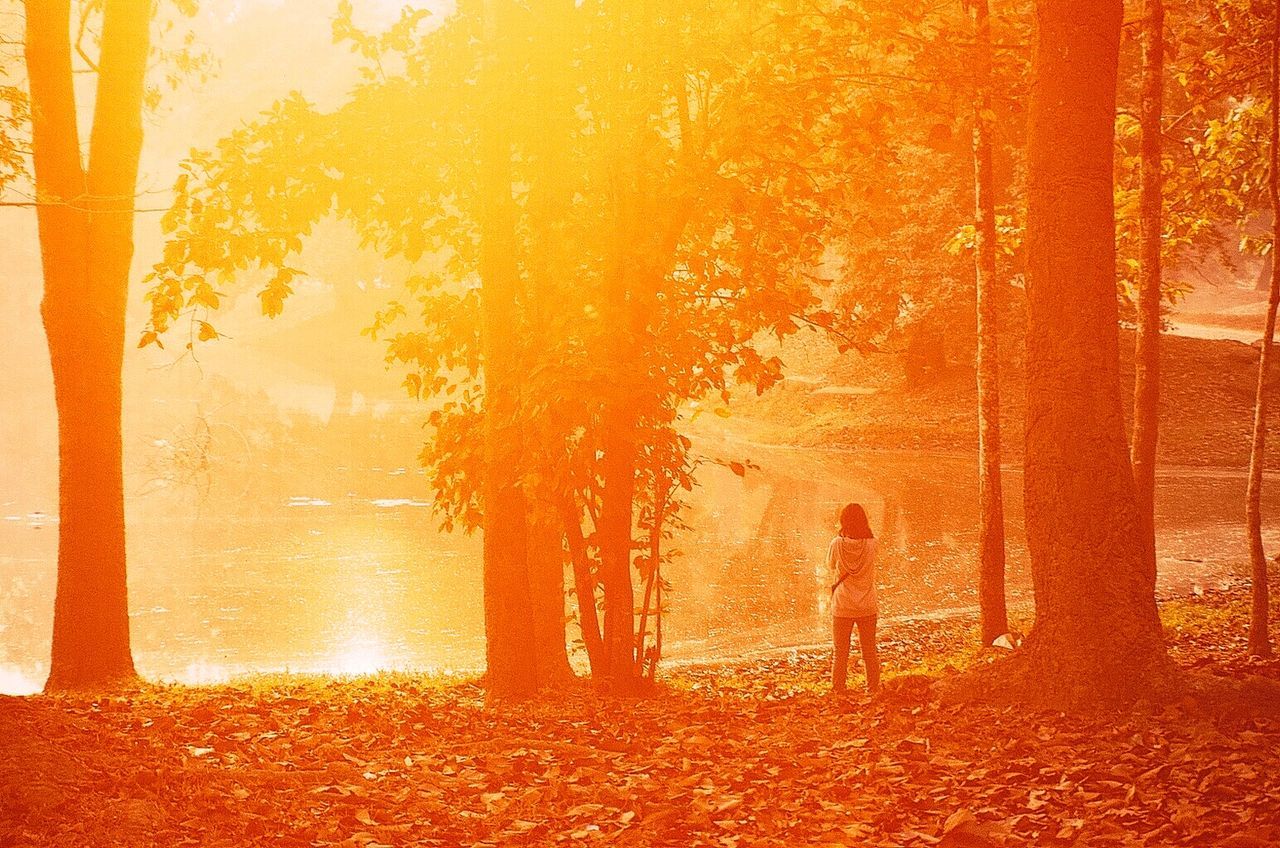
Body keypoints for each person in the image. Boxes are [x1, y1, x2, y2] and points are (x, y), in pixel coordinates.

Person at [828, 502, 880, 695]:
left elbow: (830, 566)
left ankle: (838, 689)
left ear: (843, 521)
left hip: (843, 605)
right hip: (867, 604)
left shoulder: (836, 544)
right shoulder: (872, 543)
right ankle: (873, 688)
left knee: (840, 652)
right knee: (869, 650)